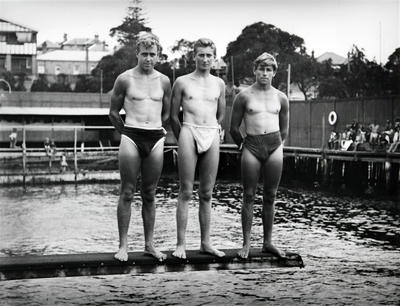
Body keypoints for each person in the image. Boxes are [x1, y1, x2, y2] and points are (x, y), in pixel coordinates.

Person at [108, 32, 171, 262]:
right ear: (137, 54)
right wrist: (126, 131)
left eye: (152, 54)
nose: (148, 58)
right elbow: (113, 112)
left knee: (150, 194)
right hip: (132, 135)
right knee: (127, 191)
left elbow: (165, 111)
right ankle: (123, 245)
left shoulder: (164, 80)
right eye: (144, 54)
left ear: (158, 56)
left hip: (154, 136)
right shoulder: (124, 79)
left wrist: (157, 128)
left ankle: (149, 245)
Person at [170, 38, 226, 259]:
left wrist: (215, 128)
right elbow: (174, 115)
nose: (205, 59)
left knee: (206, 193)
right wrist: (182, 134)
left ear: (214, 57)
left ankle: (206, 243)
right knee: (185, 191)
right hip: (188, 130)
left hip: (211, 132)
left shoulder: (219, 84)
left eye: (209, 55)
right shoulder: (182, 82)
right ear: (193, 56)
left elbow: (221, 113)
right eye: (201, 55)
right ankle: (181, 244)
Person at [229, 52, 289, 259]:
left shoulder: (281, 97)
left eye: (269, 70)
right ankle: (246, 243)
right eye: (261, 69)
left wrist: (276, 146)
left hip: (274, 146)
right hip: (251, 145)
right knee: (248, 195)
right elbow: (233, 128)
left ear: (274, 73)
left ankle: (268, 242)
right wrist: (244, 146)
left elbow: (284, 130)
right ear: (254, 70)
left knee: (270, 196)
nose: (264, 73)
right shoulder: (244, 96)